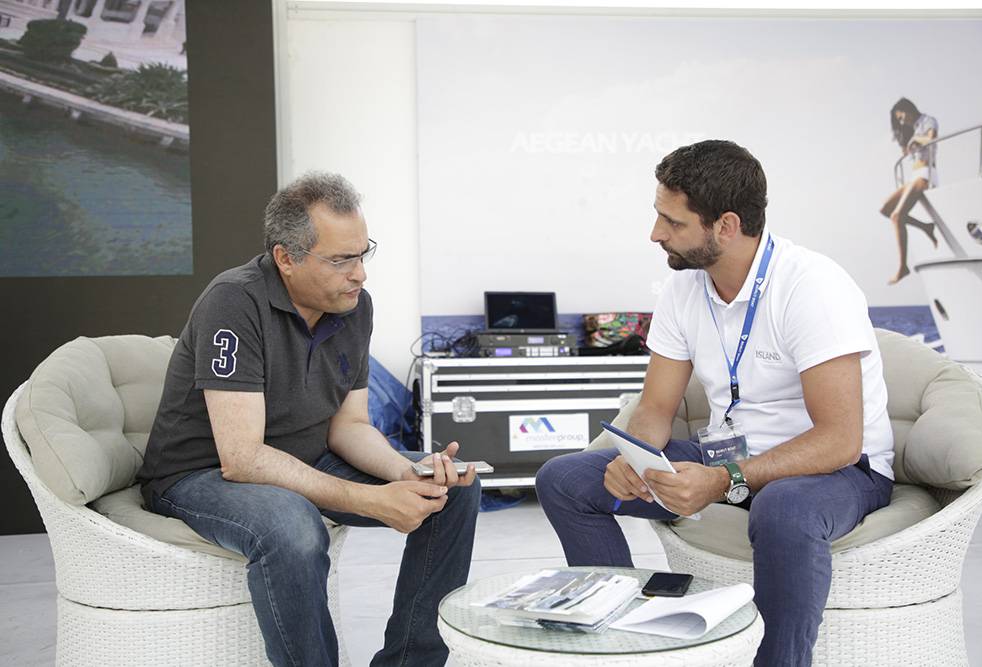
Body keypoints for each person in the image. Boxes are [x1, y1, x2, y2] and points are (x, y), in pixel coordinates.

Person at [536, 140, 895, 667]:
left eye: (672, 222)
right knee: (564, 479)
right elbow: (655, 408)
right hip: (732, 456)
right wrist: (634, 458)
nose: (655, 233)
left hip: (838, 470)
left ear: (726, 226)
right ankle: (622, 645)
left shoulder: (813, 287)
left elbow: (840, 441)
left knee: (783, 508)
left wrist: (724, 480)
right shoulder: (683, 289)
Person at [137, 172, 481, 667]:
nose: (360, 275)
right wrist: (371, 499)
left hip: (305, 457)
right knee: (292, 525)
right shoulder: (233, 301)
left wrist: (407, 472)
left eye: (363, 254)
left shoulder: (354, 307)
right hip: (199, 474)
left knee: (453, 490)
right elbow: (242, 458)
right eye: (341, 260)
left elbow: (349, 426)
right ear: (286, 258)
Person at [880, 97, 939, 284]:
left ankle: (903, 267)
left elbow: (931, 138)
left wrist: (914, 140)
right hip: (914, 175)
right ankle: (926, 227)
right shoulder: (912, 128)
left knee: (897, 216)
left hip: (926, 174)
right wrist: (907, 143)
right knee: (885, 209)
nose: (901, 121)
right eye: (898, 119)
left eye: (901, 117)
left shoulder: (928, 120)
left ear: (908, 109)